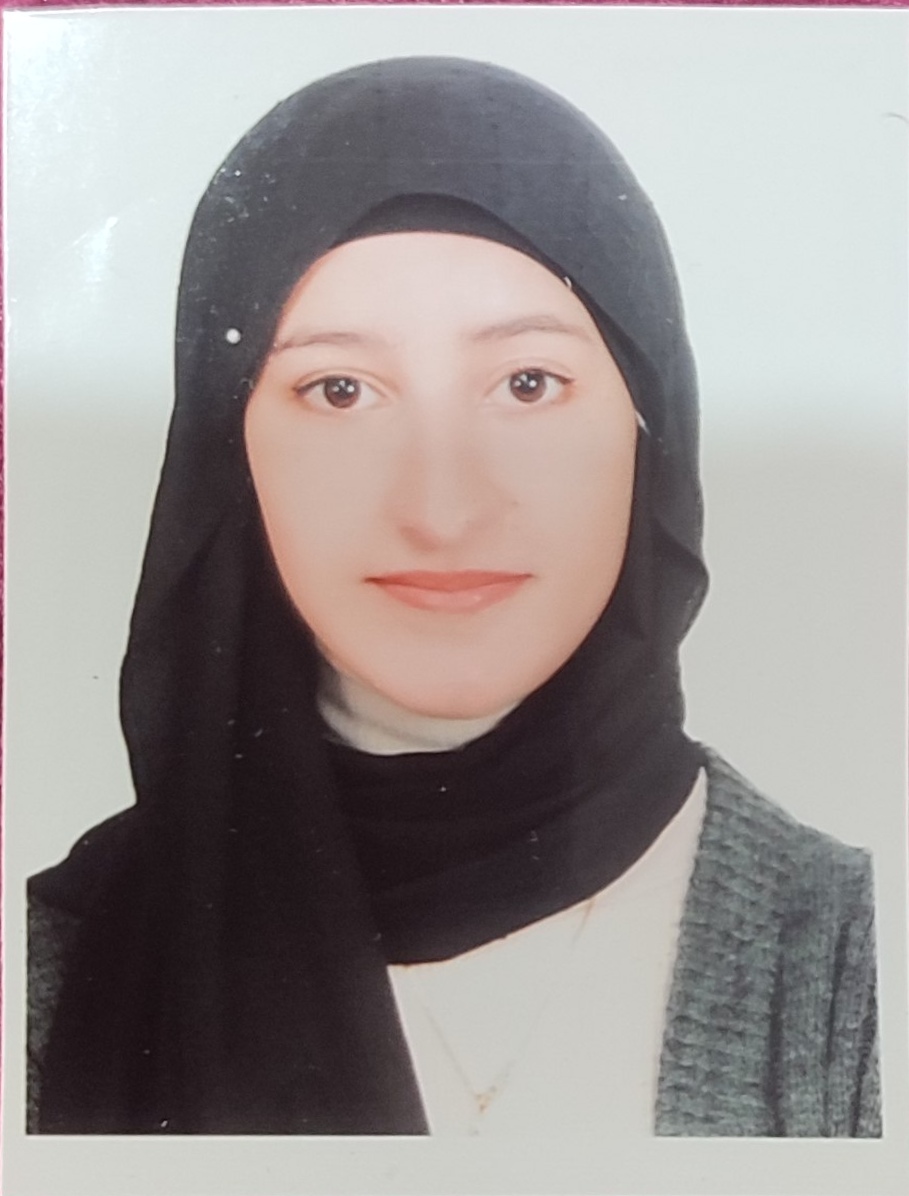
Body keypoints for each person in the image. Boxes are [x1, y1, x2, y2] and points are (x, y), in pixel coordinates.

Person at [26, 56, 880, 1137]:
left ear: (648, 430)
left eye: (527, 383)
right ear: (227, 451)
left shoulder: (857, 965)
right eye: (341, 390)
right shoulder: (45, 975)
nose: (441, 508)